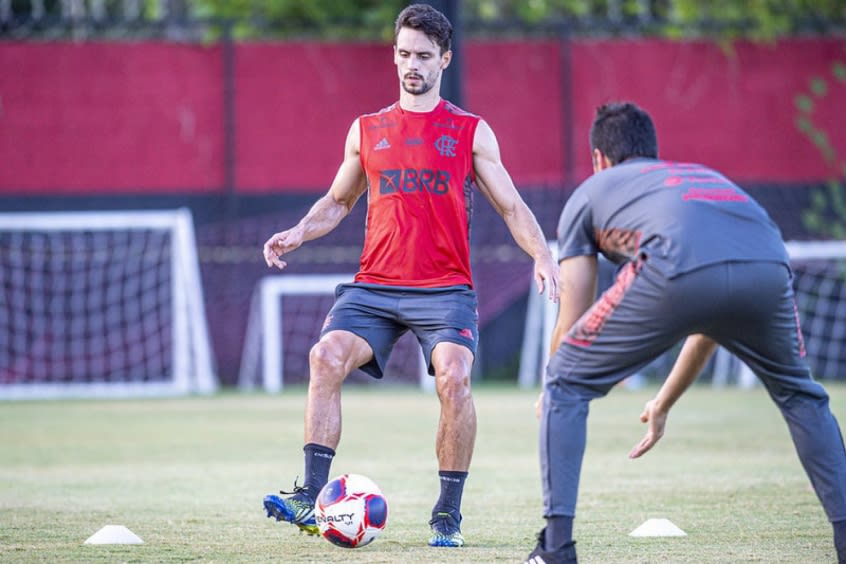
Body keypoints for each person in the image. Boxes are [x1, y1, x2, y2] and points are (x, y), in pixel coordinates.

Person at [260, 3, 558, 548]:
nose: (411, 65)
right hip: (374, 285)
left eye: (423, 55)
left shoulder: (470, 132)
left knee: (455, 378)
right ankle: (310, 497)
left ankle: (447, 515)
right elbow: (338, 200)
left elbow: (513, 207)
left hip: (444, 289)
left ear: (445, 58)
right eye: (403, 54)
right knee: (324, 356)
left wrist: (542, 255)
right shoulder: (366, 130)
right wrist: (299, 232)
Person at [525, 101, 846, 564]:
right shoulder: (695, 179)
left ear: (599, 159)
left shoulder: (594, 190)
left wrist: (553, 386)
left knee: (565, 380)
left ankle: (555, 550)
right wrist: (664, 402)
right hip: (770, 263)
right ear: (652, 154)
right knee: (802, 397)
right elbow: (711, 321)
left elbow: (572, 318)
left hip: (676, 264)